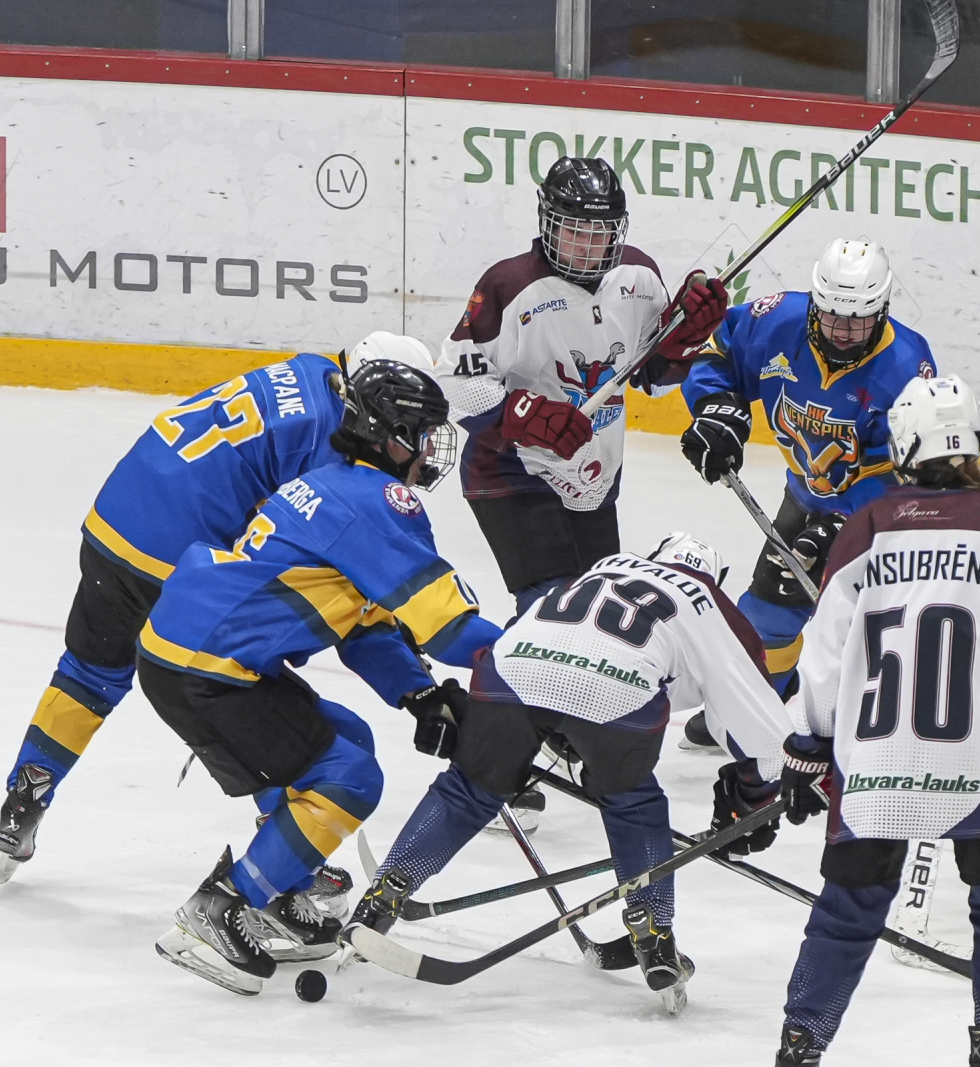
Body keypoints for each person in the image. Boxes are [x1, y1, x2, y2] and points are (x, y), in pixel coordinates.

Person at [0, 331, 437, 887]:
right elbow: (313, 551)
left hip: (113, 521)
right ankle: (285, 845)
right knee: (240, 686)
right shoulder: (334, 439)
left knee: (87, 674)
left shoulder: (311, 370)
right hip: (176, 557)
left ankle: (25, 796)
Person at [137, 358, 504, 996]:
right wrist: (527, 661)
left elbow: (363, 627)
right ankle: (221, 907)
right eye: (423, 433)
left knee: (348, 738)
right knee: (350, 778)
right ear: (393, 437)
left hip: (196, 652)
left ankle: (281, 887)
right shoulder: (379, 501)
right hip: (210, 670)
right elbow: (449, 630)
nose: (431, 449)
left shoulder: (333, 481)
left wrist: (419, 695)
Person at [345, 533, 795, 1014]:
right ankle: (654, 936)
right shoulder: (711, 603)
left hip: (514, 666)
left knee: (467, 790)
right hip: (616, 689)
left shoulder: (609, 566)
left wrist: (548, 729)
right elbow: (762, 727)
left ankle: (384, 895)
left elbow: (542, 629)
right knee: (633, 802)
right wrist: (751, 797)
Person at [774, 375, 980, 1067]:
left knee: (847, 909)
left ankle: (801, 1043)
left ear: (903, 445)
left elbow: (822, 656)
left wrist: (809, 741)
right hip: (976, 761)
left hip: (873, 761)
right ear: (974, 440)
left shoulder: (867, 527)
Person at [677, 238, 938, 756]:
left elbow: (923, 472)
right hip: (806, 496)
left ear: (883, 309)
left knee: (880, 626)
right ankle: (757, 702)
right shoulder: (777, 320)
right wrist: (715, 408)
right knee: (769, 608)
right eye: (833, 316)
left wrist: (853, 527)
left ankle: (896, 723)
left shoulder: (908, 365)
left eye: (858, 322)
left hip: (880, 516)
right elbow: (717, 353)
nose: (843, 332)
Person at [439, 156, 727, 617]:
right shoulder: (509, 285)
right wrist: (526, 416)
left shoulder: (639, 278)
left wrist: (684, 340)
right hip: (511, 470)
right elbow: (453, 381)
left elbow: (654, 377)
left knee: (595, 612)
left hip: (593, 472)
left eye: (601, 232)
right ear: (548, 222)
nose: (589, 246)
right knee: (550, 609)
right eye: (575, 231)